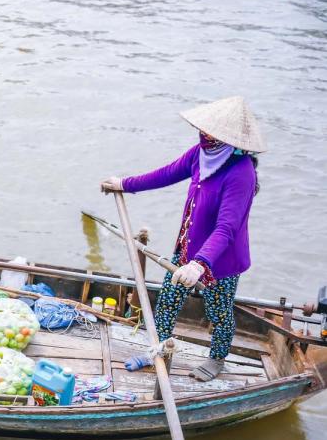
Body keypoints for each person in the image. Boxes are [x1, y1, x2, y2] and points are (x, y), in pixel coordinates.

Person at [100, 96, 266, 381]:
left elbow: (227, 228)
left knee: (219, 311)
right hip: (188, 248)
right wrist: (124, 184)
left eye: (211, 133)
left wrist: (200, 265)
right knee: (167, 300)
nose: (204, 135)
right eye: (203, 130)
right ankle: (161, 351)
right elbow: (166, 174)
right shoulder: (201, 154)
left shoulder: (241, 173)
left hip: (220, 260)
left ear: (230, 138)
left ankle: (216, 359)